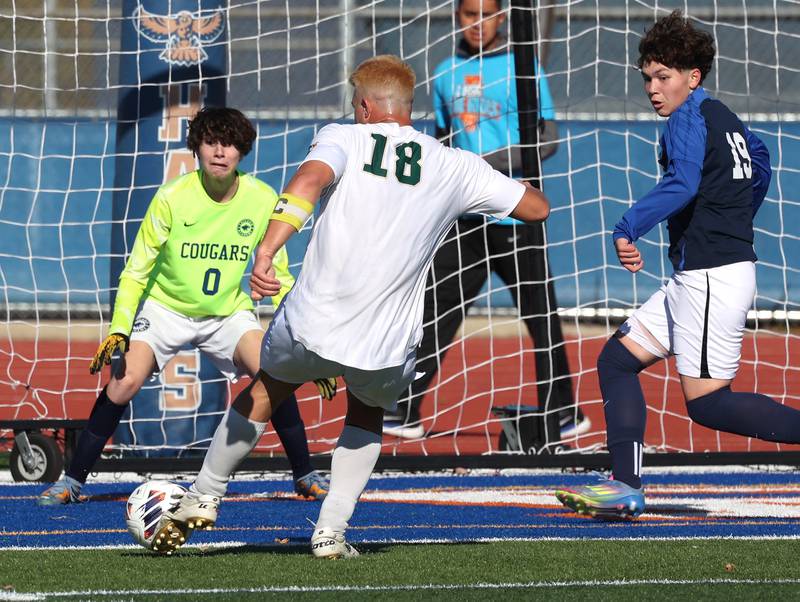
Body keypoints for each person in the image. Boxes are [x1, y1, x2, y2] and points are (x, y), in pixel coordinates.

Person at [156, 54, 551, 557]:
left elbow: (307, 183)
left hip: (311, 322)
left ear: (364, 107)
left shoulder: (343, 136)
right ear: (407, 108)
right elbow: (537, 208)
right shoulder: (453, 165)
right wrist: (481, 177)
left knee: (267, 389)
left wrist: (267, 250)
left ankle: (205, 495)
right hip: (384, 341)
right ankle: (330, 533)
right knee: (366, 412)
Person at [554, 10, 800, 519]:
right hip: (701, 274)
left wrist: (628, 226)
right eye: (647, 77)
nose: (653, 87)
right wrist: (732, 216)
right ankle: (625, 486)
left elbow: (684, 184)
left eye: (663, 76)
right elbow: (762, 159)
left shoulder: (689, 119)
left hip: (712, 275)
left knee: (707, 403)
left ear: (693, 77)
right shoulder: (722, 116)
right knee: (617, 360)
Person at [38, 107, 331, 507]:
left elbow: (277, 276)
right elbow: (136, 271)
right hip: (166, 310)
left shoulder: (263, 199)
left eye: (229, 144)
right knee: (124, 381)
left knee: (273, 374)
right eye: (211, 141)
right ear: (197, 146)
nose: (220, 151)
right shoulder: (172, 197)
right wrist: (120, 328)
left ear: (242, 151)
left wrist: (303, 342)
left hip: (228, 312)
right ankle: (72, 480)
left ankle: (305, 474)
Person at [383, 0, 588, 440]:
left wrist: (484, 166)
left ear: (501, 18)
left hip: (516, 218)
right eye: (467, 13)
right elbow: (441, 144)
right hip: (465, 221)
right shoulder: (444, 71)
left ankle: (566, 413)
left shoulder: (523, 65)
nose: (477, 22)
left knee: (541, 318)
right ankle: (405, 412)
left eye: (485, 14)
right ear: (457, 17)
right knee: (434, 315)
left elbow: (547, 139)